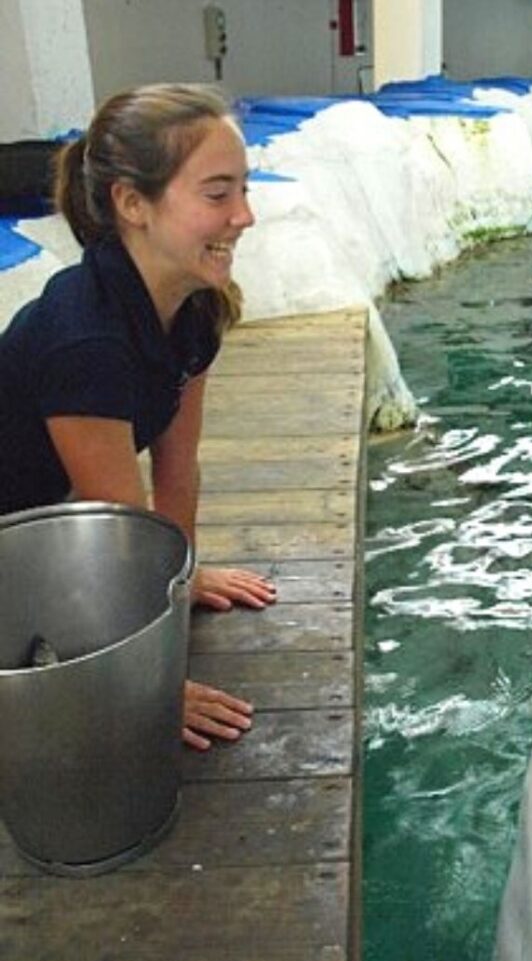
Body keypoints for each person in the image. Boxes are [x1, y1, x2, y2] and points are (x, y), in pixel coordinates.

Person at [0, 83, 277, 750]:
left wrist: (179, 579)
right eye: (217, 194)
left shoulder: (198, 306)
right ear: (132, 204)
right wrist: (148, 685)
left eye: (244, 187)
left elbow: (177, 470)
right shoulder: (85, 344)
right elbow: (115, 538)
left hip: (48, 520)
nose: (244, 216)